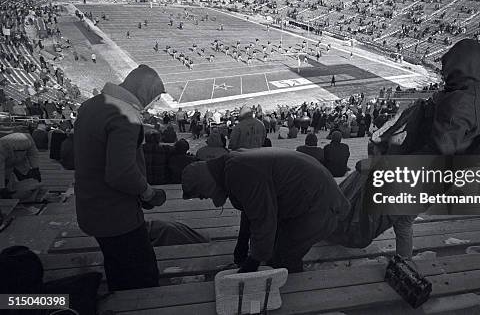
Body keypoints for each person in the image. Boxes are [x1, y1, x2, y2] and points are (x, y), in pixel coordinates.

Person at [73, 65, 167, 291]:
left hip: (90, 206)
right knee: (142, 278)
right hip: (116, 214)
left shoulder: (90, 105)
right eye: (153, 98)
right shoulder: (125, 115)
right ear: (144, 90)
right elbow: (121, 173)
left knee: (117, 267)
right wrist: (149, 193)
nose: (151, 104)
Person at [181, 148, 350, 273]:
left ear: (206, 184)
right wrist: (242, 244)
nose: (206, 198)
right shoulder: (230, 164)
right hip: (307, 197)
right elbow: (252, 208)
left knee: (283, 257)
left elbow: (264, 218)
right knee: (270, 252)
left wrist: (252, 261)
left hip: (320, 204)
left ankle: (295, 299)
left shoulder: (237, 171)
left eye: (202, 195)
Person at [0, 132, 42, 199]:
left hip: (16, 164)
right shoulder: (2, 147)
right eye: (19, 151)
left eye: (24, 151)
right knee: (4, 188)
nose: (21, 153)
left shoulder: (29, 138)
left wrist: (35, 168)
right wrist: (1, 187)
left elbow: (33, 154)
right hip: (5, 166)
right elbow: (0, 169)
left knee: (20, 184)